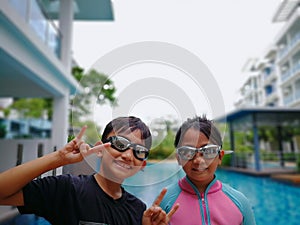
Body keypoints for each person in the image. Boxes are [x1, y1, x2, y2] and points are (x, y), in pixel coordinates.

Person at [0, 116, 178, 225]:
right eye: (120, 144)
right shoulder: (68, 189)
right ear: (100, 149)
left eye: (139, 151)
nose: (128, 155)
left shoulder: (138, 210)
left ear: (142, 165)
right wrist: (57, 158)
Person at [160, 115, 256, 225]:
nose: (198, 160)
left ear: (220, 157)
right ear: (178, 158)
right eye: (188, 151)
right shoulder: (165, 201)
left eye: (208, 151)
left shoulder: (239, 202)